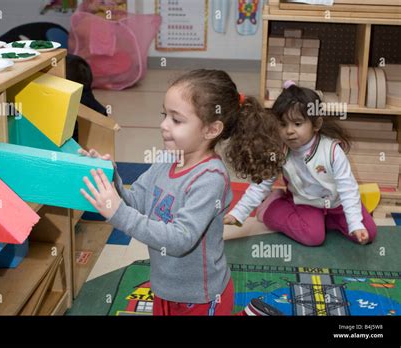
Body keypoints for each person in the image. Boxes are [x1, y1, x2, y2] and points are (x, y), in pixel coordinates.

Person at [79, 69, 283, 315]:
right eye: (165, 114)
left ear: (211, 130)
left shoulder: (210, 179)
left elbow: (179, 240)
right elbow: (136, 203)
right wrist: (111, 181)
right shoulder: (167, 158)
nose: (163, 125)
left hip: (200, 296)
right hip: (164, 287)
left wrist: (118, 213)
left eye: (176, 120)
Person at [225, 81, 377, 246]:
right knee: (313, 237)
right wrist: (238, 213)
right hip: (305, 202)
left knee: (369, 232)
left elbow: (348, 188)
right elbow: (260, 184)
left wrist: (355, 223)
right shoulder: (280, 150)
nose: (289, 131)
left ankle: (325, 220)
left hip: (336, 202)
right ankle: (272, 206)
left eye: (297, 124)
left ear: (316, 124)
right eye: (283, 124)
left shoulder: (332, 151)